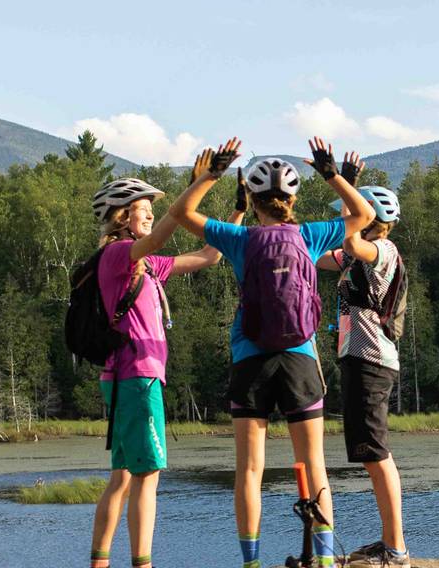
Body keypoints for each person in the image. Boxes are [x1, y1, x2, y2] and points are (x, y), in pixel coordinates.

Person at [170, 137, 374, 568]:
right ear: (293, 198)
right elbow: (365, 215)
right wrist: (332, 174)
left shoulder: (239, 239)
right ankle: (321, 560)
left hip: (250, 360)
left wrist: (210, 176)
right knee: (313, 464)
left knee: (249, 470)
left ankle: (250, 562)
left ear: (255, 199)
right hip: (300, 359)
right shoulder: (312, 234)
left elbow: (181, 214)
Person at [87, 177, 227, 568]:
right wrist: (202, 182)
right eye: (142, 208)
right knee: (148, 475)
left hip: (129, 378)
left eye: (151, 208)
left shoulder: (146, 265)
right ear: (121, 216)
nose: (149, 213)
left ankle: (100, 562)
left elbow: (208, 256)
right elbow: (164, 234)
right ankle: (142, 564)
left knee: (123, 476)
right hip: (136, 378)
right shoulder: (118, 254)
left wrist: (235, 213)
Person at [316, 159, 410, 568]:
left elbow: (353, 245)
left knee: (375, 453)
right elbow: (319, 255)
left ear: (370, 217)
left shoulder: (381, 250)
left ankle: (397, 550)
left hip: (372, 360)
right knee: (369, 451)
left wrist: (343, 186)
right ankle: (389, 540)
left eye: (354, 211)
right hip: (358, 358)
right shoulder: (355, 255)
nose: (346, 217)